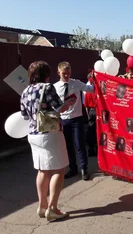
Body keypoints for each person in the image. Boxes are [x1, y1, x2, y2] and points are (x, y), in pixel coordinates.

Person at [21, 61, 76, 221]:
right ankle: (53, 208)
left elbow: (24, 115)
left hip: (33, 134)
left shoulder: (26, 91)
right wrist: (69, 103)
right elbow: (59, 108)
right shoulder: (48, 87)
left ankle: (42, 205)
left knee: (42, 170)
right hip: (50, 133)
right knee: (59, 169)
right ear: (46, 74)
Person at [54, 62, 94, 181]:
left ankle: (84, 168)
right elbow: (54, 104)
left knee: (79, 144)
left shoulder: (76, 83)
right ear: (59, 73)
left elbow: (91, 89)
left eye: (68, 73)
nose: (66, 76)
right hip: (64, 119)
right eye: (64, 74)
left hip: (77, 118)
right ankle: (73, 168)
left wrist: (97, 80)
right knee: (68, 146)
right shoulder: (55, 87)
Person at [84, 72, 97, 157]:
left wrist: (87, 115)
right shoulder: (98, 91)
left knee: (91, 130)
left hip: (91, 111)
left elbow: (86, 105)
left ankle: (91, 149)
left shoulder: (88, 92)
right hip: (97, 110)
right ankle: (96, 149)